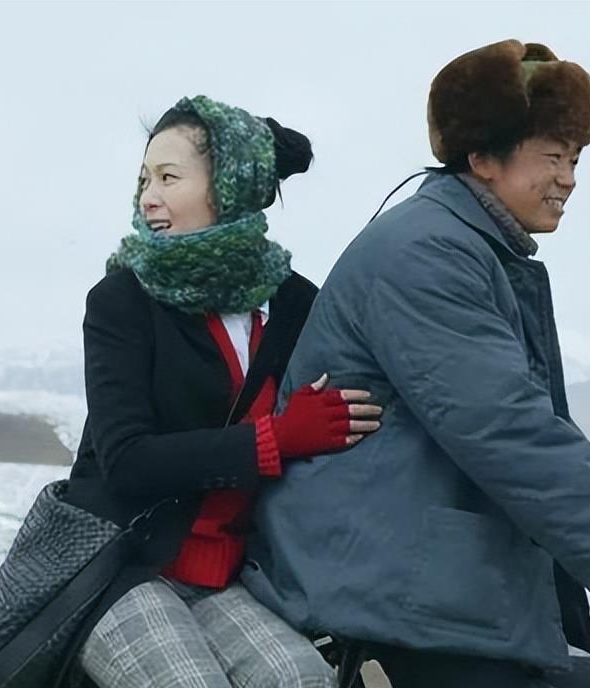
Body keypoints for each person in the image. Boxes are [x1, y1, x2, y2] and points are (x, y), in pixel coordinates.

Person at [241, 41, 590, 686]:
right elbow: (498, 420)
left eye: (575, 159)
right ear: (484, 158)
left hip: (412, 562)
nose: (569, 178)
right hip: (379, 575)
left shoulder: (467, 244)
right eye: (551, 157)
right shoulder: (427, 253)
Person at [62, 95, 381, 688]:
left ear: (230, 189)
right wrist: (275, 439)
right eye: (144, 179)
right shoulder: (122, 301)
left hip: (226, 573)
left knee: (305, 681)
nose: (148, 197)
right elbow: (126, 461)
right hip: (119, 564)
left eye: (168, 177)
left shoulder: (295, 304)